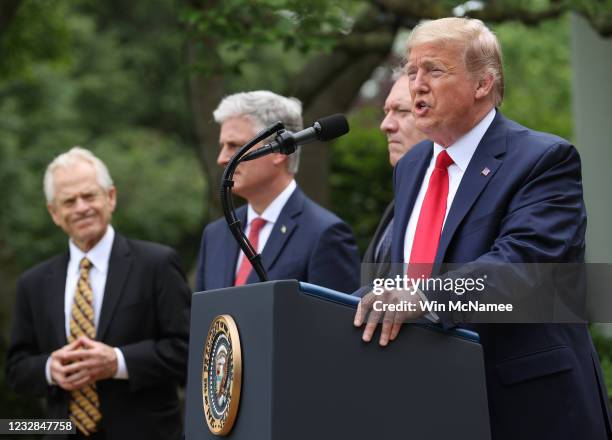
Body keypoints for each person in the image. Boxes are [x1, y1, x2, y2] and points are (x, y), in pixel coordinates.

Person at [354, 17, 611, 439]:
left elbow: (522, 270)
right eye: (412, 71)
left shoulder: (544, 160)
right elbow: (402, 277)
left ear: (482, 84)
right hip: (430, 401)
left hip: (526, 408)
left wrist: (423, 296)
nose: (416, 84)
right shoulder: (413, 167)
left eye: (434, 70)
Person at [6, 147, 191, 440]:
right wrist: (50, 368)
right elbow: (16, 370)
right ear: (54, 213)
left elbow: (188, 351)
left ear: (111, 197)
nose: (81, 207)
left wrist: (117, 362)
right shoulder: (34, 283)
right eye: (69, 201)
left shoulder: (156, 264)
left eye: (89, 196)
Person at [195, 91, 360, 293]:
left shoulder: (325, 234)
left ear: (279, 151)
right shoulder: (215, 235)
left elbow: (333, 322)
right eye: (223, 146)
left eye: (234, 146)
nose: (222, 159)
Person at [362, 73, 427, 272]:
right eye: (386, 111)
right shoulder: (401, 199)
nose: (386, 125)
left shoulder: (450, 201)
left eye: (402, 111)